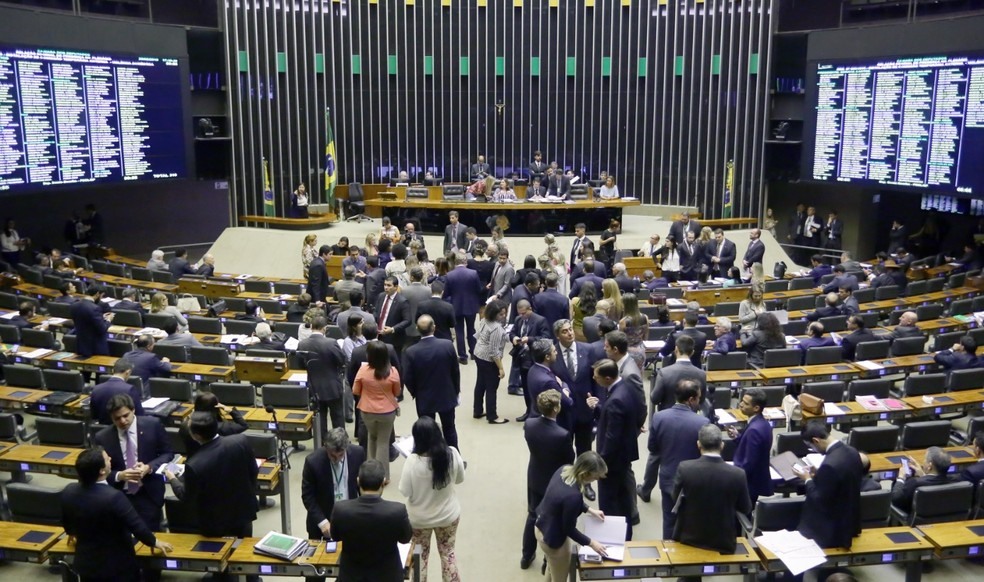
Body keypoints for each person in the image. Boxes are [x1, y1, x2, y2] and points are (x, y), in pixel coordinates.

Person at [166, 413, 259, 582]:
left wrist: (172, 479)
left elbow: (187, 498)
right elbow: (254, 472)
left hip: (216, 521)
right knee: (246, 550)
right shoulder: (240, 441)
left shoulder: (195, 464)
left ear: (196, 436)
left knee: (220, 558)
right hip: (243, 509)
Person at [60, 447, 174, 582]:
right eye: (107, 459)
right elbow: (136, 526)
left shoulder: (69, 490)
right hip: (117, 567)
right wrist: (154, 542)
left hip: (86, 563)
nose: (110, 459)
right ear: (102, 471)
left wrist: (71, 532)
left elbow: (66, 519)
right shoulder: (113, 497)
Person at [399, 417, 466, 582]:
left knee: (420, 557)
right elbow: (459, 479)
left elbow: (404, 491)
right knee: (448, 553)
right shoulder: (451, 454)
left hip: (420, 519)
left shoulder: (413, 462)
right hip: (448, 516)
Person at [94, 392, 171, 537]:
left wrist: (149, 467)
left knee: (151, 537)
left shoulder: (152, 425)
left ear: (133, 410)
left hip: (148, 493)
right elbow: (97, 470)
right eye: (117, 418)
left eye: (126, 415)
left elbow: (168, 454)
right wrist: (119, 475)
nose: (123, 421)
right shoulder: (103, 437)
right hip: (119, 495)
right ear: (111, 418)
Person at [672, 424, 751, 553]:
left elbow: (675, 499)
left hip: (690, 538)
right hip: (723, 541)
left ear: (698, 444)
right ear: (722, 445)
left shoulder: (685, 468)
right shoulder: (738, 474)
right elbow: (745, 508)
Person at [330, 459, 413, 582]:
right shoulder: (398, 511)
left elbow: (335, 537)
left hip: (352, 577)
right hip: (387, 577)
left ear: (358, 481)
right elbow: (405, 538)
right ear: (383, 482)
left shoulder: (340, 509)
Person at [589, 358, 644, 541]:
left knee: (611, 502)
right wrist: (598, 408)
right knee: (622, 498)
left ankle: (615, 539)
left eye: (596, 376)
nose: (594, 379)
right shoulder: (624, 388)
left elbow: (612, 438)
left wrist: (601, 465)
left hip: (612, 463)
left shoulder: (616, 400)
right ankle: (625, 534)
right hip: (623, 457)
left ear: (607, 378)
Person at [535, 451, 610, 582]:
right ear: (586, 474)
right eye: (596, 477)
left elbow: (561, 501)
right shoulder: (573, 497)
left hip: (541, 527)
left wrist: (589, 509)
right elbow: (568, 529)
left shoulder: (563, 470)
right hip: (553, 541)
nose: (596, 480)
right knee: (560, 577)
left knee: (552, 567)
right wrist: (591, 543)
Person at [522, 389, 575, 570]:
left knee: (532, 516)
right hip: (553, 482)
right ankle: (547, 562)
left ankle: (526, 556)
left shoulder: (529, 424)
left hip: (535, 475)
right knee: (551, 521)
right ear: (556, 409)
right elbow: (570, 460)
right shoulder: (562, 435)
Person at [301, 427, 365, 568]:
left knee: (350, 568)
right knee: (316, 571)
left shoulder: (358, 453)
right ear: (326, 448)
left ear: (346, 448)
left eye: (340, 455)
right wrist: (322, 522)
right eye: (332, 456)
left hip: (350, 520)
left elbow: (362, 486)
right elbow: (308, 496)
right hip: (322, 524)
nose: (336, 459)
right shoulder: (313, 462)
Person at [793, 421, 864, 548]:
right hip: (850, 519)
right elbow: (841, 481)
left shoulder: (829, 465)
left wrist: (807, 479)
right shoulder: (852, 451)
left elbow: (819, 499)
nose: (813, 450)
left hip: (831, 529)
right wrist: (819, 474)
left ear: (816, 441)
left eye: (811, 447)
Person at [403, 314, 461, 449]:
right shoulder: (447, 345)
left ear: (417, 329)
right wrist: (455, 391)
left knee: (427, 432)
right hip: (446, 395)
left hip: (424, 397)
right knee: (450, 429)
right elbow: (455, 371)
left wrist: (415, 392)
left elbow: (408, 377)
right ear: (434, 327)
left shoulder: (411, 352)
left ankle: (429, 459)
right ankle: (454, 458)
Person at [353, 340, 401, 479]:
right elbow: (397, 392)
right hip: (387, 412)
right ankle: (383, 476)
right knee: (383, 442)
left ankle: (370, 474)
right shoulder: (392, 371)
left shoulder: (363, 370)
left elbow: (356, 390)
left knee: (371, 438)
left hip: (367, 410)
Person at [299, 315, 347, 434]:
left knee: (320, 418)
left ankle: (322, 443)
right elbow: (342, 361)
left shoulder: (302, 344)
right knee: (338, 417)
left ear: (311, 327)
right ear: (325, 328)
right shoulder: (331, 343)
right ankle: (340, 443)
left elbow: (300, 365)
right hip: (333, 386)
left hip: (313, 386)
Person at [727, 388, 774, 504]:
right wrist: (738, 437)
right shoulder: (763, 424)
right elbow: (752, 447)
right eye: (742, 401)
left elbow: (748, 463)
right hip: (753, 482)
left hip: (748, 485)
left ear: (756, 408)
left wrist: (731, 478)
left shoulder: (754, 430)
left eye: (746, 403)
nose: (741, 405)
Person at [511, 299, 552, 422]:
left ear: (530, 309)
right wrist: (514, 338)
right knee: (526, 386)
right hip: (522, 358)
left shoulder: (540, 320)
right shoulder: (518, 320)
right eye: (520, 313)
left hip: (535, 359)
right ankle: (529, 411)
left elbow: (546, 339)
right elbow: (512, 332)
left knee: (537, 388)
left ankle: (538, 413)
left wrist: (529, 339)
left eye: (524, 313)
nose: (522, 316)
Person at [473, 300, 510, 424]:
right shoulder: (496, 329)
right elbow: (494, 352)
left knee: (480, 383)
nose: (504, 316)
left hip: (478, 354)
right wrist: (500, 368)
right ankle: (492, 416)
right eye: (501, 314)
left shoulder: (484, 320)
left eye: (504, 313)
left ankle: (477, 410)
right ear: (494, 314)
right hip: (488, 360)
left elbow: (478, 335)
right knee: (491, 387)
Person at [180, 392, 248, 457]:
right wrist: (231, 411)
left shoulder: (185, 425)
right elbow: (243, 425)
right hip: (217, 463)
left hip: (193, 463)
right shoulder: (221, 427)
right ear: (216, 407)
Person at [891, 447, 955, 512]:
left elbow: (896, 499)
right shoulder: (954, 481)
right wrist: (923, 475)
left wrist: (901, 478)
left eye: (925, 459)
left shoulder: (914, 483)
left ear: (929, 465)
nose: (923, 462)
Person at [90, 360, 144, 425]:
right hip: (124, 427)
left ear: (113, 371)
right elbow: (140, 415)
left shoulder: (96, 389)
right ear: (128, 372)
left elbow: (94, 415)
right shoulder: (130, 389)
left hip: (104, 430)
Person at [71, 285, 115, 357]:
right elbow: (102, 329)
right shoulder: (95, 308)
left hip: (81, 344)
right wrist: (108, 320)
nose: (101, 298)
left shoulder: (74, 305)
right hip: (96, 346)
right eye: (101, 296)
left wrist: (101, 317)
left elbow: (85, 320)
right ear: (97, 294)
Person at [374, 276, 412, 356]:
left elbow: (408, 320)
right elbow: (376, 312)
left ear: (396, 287)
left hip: (394, 339)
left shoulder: (402, 301)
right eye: (385, 285)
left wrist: (393, 329)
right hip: (379, 335)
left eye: (389, 285)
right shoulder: (381, 296)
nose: (386, 287)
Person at [618, 293, 648, 371]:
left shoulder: (623, 321)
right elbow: (646, 337)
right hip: (641, 351)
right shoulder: (645, 317)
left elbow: (620, 341)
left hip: (628, 353)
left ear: (625, 305)